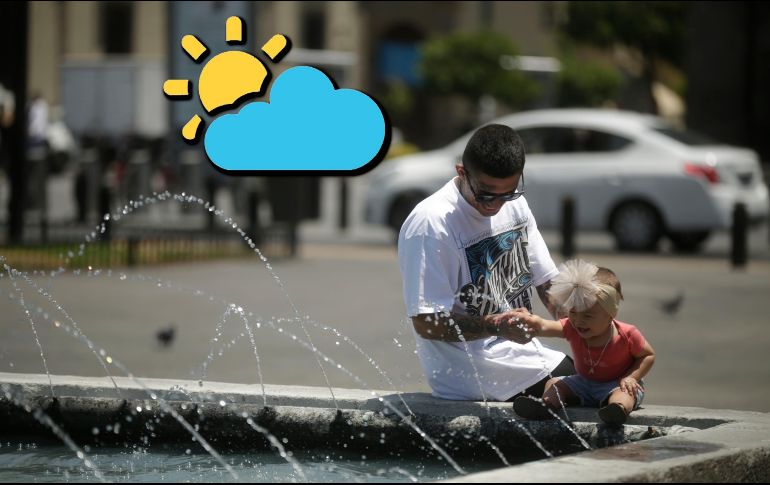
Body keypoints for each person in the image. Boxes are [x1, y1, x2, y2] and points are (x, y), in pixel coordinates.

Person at [397, 124, 575, 402]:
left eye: (508, 193)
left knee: (602, 377)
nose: (495, 205)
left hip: (520, 355)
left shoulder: (514, 205)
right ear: (461, 173)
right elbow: (426, 323)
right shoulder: (432, 224)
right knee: (579, 389)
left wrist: (586, 331)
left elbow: (548, 283)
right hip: (468, 371)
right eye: (485, 194)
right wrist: (494, 326)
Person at [511, 259, 656, 425]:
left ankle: (617, 410)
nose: (579, 321)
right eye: (573, 312)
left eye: (587, 316)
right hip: (584, 382)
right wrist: (534, 323)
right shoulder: (572, 327)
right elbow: (547, 326)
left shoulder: (627, 334)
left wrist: (631, 377)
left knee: (626, 393)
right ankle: (547, 405)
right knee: (554, 383)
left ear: (610, 315)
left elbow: (648, 355)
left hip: (616, 383)